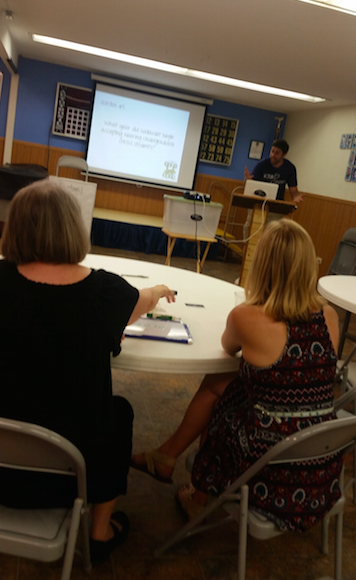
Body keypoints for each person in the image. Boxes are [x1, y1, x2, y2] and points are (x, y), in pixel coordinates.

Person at [0, 179, 175, 563]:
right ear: (72, 228)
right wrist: (158, 289)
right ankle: (98, 531)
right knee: (118, 412)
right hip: (70, 473)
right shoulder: (106, 293)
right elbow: (141, 301)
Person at [131, 219, 343, 532]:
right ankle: (166, 457)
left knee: (223, 398)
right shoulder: (328, 316)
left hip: (268, 468)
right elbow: (301, 377)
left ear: (263, 265)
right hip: (319, 464)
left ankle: (195, 494)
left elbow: (227, 348)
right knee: (224, 386)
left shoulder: (246, 316)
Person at [243, 139, 303, 241]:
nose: (273, 155)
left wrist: (296, 197)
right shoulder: (262, 165)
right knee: (249, 229)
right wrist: (246, 181)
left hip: (276, 208)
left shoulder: (289, 168)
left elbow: (293, 191)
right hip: (257, 205)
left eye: (277, 153)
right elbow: (249, 185)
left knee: (272, 234)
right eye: (272, 151)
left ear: (284, 154)